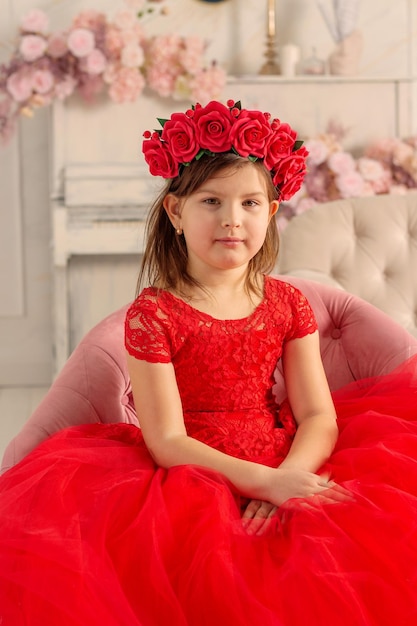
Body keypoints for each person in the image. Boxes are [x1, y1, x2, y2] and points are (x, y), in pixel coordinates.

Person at [0, 99, 417, 626]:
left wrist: (286, 478)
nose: (231, 220)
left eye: (248, 203)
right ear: (176, 211)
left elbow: (318, 416)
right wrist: (260, 484)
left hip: (287, 458)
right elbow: (167, 441)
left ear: (270, 211)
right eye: (211, 201)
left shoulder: (288, 303)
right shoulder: (154, 313)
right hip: (193, 476)